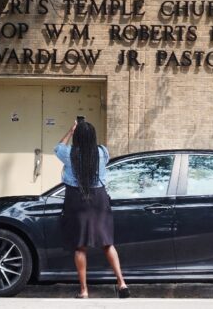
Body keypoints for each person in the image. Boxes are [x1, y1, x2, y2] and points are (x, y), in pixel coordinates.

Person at [54, 120, 130, 299]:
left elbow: (57, 147)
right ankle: (122, 283)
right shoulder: (103, 152)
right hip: (99, 199)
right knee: (107, 243)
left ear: (77, 136)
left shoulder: (69, 153)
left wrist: (69, 131)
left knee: (80, 247)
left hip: (77, 199)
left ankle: (84, 290)